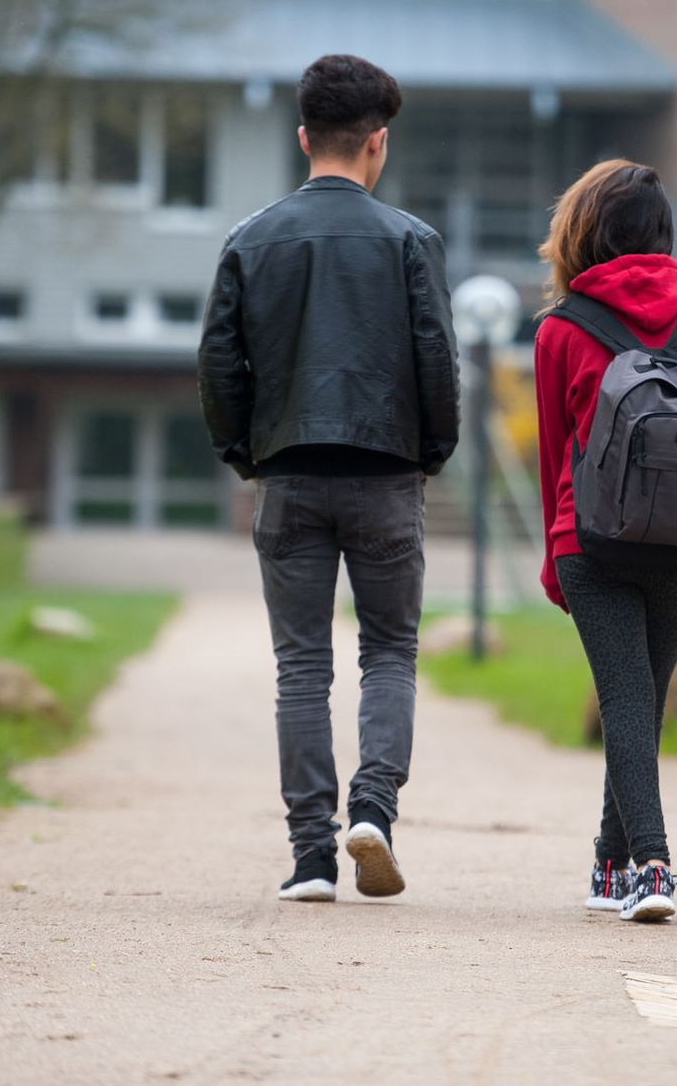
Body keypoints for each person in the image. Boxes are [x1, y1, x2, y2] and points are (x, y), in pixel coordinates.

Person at [198, 54, 459, 903]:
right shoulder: (412, 241)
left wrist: (247, 451)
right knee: (390, 651)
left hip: (290, 474)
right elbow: (437, 364)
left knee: (301, 667)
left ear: (303, 137)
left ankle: (311, 855)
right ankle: (373, 809)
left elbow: (219, 366)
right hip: (386, 475)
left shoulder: (250, 238)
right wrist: (432, 452)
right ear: (377, 143)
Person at [534, 160, 677, 922]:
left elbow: (557, 456)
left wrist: (556, 561)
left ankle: (650, 864)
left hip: (595, 539)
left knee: (627, 697)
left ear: (584, 231)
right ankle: (608, 864)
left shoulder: (561, 328)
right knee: (636, 698)